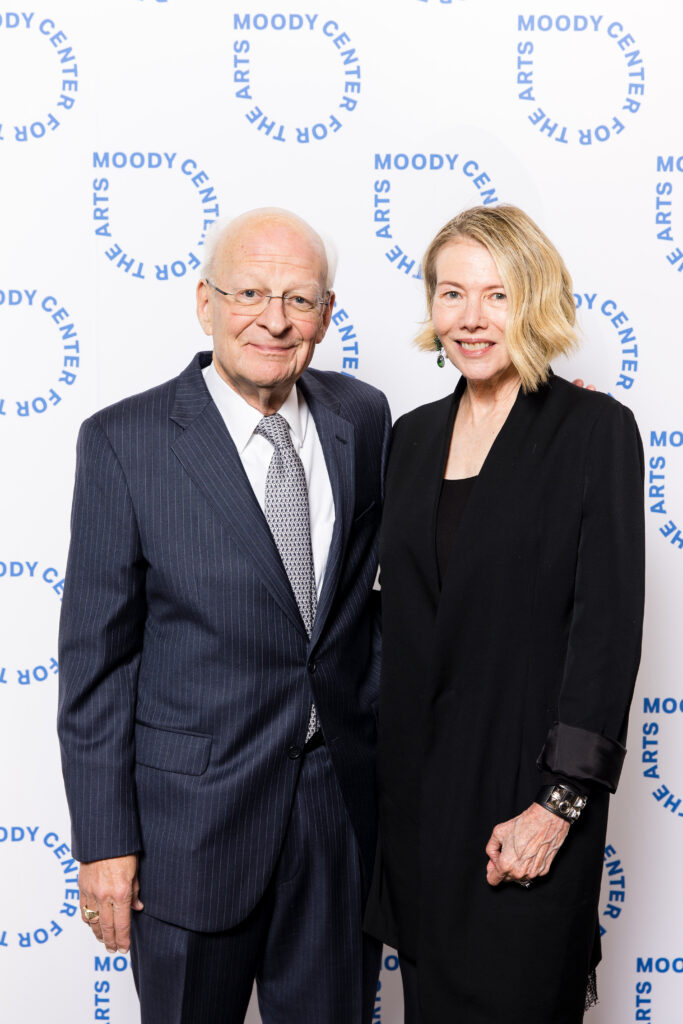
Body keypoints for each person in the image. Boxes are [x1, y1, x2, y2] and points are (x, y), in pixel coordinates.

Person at [57, 208, 391, 1024]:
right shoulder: (125, 442)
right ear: (204, 301)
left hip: (336, 816)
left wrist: (545, 415)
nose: (273, 320)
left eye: (298, 299)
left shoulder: (363, 418)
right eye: (249, 293)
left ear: (326, 315)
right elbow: (97, 664)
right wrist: (105, 843)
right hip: (189, 830)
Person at [364, 205, 645, 1023]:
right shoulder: (410, 438)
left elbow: (606, 636)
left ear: (534, 300)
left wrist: (557, 807)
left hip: (524, 804)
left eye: (497, 295)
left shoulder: (594, 432)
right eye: (451, 293)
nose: (471, 318)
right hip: (418, 816)